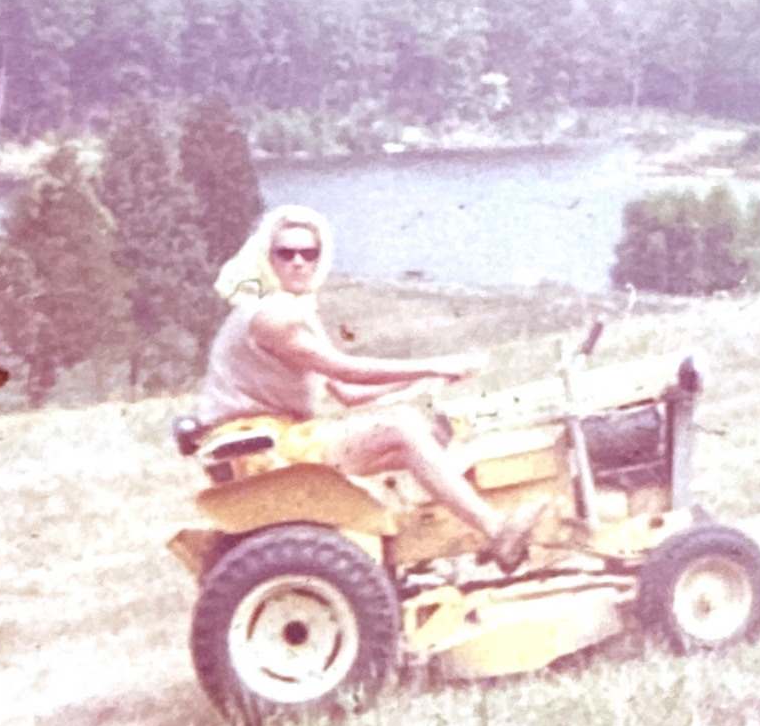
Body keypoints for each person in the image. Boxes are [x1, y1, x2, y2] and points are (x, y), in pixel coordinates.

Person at [196, 205, 546, 570]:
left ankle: (430, 541)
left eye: (309, 253)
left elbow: (347, 393)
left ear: (320, 259)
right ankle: (495, 529)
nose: (298, 262)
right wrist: (436, 364)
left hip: (280, 438)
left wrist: (425, 380)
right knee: (400, 430)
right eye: (285, 253)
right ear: (267, 259)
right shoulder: (271, 317)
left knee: (422, 438)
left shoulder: (294, 312)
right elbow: (344, 368)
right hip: (261, 447)